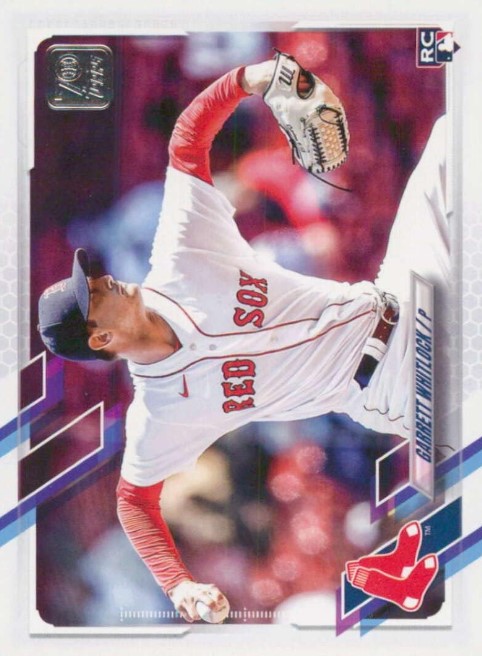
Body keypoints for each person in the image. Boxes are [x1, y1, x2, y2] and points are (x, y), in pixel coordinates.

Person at [37, 55, 450, 622]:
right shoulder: (161, 411)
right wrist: (179, 585)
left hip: (397, 294)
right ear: (102, 336)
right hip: (396, 386)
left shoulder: (178, 260)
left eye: (93, 278)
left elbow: (187, 143)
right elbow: (133, 503)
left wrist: (250, 80)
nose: (103, 280)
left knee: (452, 140)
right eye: (92, 296)